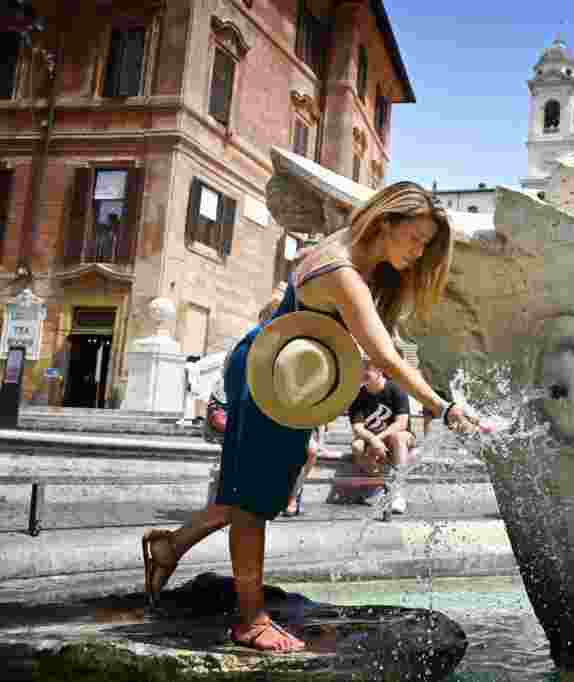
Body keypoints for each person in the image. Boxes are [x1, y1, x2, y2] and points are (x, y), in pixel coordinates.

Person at [139, 182, 480, 653]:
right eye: (415, 239)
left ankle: (170, 547)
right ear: (386, 224)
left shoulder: (355, 251)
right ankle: (250, 620)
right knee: (253, 501)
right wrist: (443, 407)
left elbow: (377, 341)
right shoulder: (342, 271)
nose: (419, 253)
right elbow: (385, 355)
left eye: (426, 245)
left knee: (259, 492)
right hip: (271, 374)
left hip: (288, 375)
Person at [348, 359, 416, 514]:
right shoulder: (357, 395)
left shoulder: (396, 389)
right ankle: (379, 484)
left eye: (367, 368)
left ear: (379, 371)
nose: (362, 373)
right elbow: (357, 427)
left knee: (398, 438)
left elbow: (402, 423)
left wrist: (378, 438)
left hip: (401, 437)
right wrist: (372, 439)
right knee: (356, 446)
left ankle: (398, 493)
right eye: (360, 369)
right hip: (373, 438)